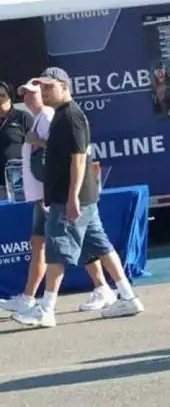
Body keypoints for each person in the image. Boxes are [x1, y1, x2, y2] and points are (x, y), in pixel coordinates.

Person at [11, 68, 144, 328]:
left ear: (64, 86)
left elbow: (79, 158)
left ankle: (46, 309)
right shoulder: (61, 116)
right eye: (42, 87)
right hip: (78, 197)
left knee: (58, 250)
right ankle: (128, 297)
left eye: (49, 87)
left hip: (70, 198)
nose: (44, 92)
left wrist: (72, 197)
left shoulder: (71, 117)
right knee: (101, 247)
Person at [0, 79, 117, 314]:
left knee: (66, 245)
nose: (29, 98)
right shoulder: (41, 118)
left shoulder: (51, 117)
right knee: (42, 243)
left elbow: (66, 154)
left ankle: (53, 302)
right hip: (42, 193)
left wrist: (68, 194)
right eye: (26, 95)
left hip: (53, 193)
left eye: (34, 93)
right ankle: (30, 298)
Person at [0, 80, 33, 200]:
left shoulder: (22, 117)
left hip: (19, 184)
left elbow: (35, 148)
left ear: (10, 98)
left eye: (2, 95)